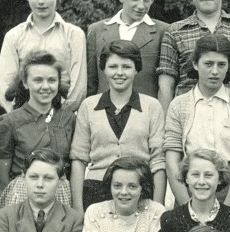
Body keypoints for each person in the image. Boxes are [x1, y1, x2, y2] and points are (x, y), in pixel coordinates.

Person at [70, 40, 166, 210]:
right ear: (104, 69)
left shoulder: (152, 106)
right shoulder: (88, 106)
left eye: (126, 67)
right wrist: (78, 209)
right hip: (96, 192)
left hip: (139, 192)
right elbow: (79, 160)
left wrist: (157, 209)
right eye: (113, 66)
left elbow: (158, 162)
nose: (119, 73)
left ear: (136, 69)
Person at [165, 34, 230, 208]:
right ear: (196, 64)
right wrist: (186, 209)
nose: (215, 71)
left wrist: (227, 209)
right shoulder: (179, 105)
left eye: (221, 65)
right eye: (208, 64)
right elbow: (172, 160)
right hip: (190, 190)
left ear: (229, 66)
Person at [0, 0, 86, 112]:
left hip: (62, 121)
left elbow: (78, 89)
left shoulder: (74, 35)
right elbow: (5, 87)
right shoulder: (13, 36)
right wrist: (21, 120)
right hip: (23, 122)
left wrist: (58, 119)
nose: (41, 1)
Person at [0, 50, 75, 207]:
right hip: (23, 195)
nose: (45, 86)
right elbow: (1, 175)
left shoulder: (69, 118)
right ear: (25, 83)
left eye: (52, 80)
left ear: (59, 82)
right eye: (38, 80)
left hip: (62, 194)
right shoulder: (10, 122)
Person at [86, 0, 169, 98]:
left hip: (144, 113)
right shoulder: (97, 30)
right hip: (103, 113)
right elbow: (91, 84)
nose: (141, 6)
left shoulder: (163, 31)